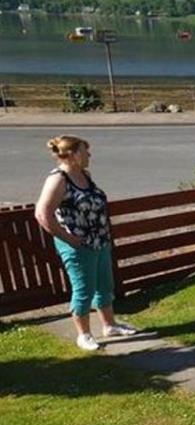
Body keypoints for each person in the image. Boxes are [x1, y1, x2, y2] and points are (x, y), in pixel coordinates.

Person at [34, 135, 137, 351]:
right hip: (77, 246)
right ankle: (84, 335)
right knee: (83, 290)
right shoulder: (58, 180)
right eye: (85, 151)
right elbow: (43, 215)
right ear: (72, 154)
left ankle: (110, 325)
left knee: (105, 286)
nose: (89, 155)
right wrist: (69, 238)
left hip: (99, 241)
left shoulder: (84, 175)